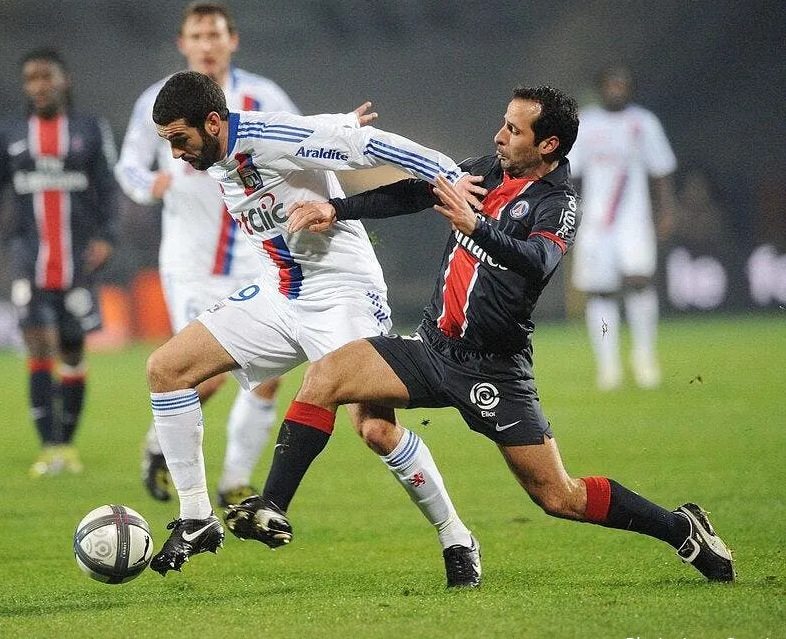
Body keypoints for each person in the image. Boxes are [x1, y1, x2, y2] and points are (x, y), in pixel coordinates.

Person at [226, 86, 735, 584]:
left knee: (558, 496)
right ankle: (272, 504)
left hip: (493, 369)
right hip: (431, 349)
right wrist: (338, 209)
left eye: (514, 130)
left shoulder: (557, 204)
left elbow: (539, 261)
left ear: (548, 146)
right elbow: (418, 190)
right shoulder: (490, 172)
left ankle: (680, 529)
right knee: (326, 376)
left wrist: (477, 226)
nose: (499, 136)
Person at [145, 70, 484, 586]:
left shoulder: (267, 141)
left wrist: (447, 174)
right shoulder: (222, 147)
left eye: (179, 140)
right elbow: (310, 130)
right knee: (166, 369)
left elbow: (368, 146)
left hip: (344, 292)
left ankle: (457, 536)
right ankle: (196, 518)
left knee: (374, 428)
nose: (176, 154)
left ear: (213, 122)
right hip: (280, 292)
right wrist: (336, 121)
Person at [115, 0, 299, 509]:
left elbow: (300, 147)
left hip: (257, 256)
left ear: (232, 40)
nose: (207, 44)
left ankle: (235, 481)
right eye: (197, 35)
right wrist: (147, 185)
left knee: (271, 372)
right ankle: (160, 442)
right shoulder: (156, 100)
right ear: (183, 43)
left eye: (215, 34)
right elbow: (128, 164)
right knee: (209, 374)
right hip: (190, 263)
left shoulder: (263, 96)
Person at [0, 47, 119, 477]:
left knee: (72, 348)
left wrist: (107, 236)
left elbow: (109, 189)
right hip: (28, 257)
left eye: (47, 76)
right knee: (39, 342)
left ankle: (67, 444)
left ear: (64, 80)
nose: (39, 86)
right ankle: (49, 447)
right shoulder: (8, 133)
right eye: (31, 78)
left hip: (78, 260)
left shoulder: (90, 130)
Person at [567, 65, 677, 390]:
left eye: (622, 84)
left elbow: (661, 171)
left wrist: (666, 212)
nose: (616, 89)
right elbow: (572, 173)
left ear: (630, 88)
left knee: (640, 282)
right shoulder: (586, 123)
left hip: (634, 221)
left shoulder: (644, 123)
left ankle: (644, 356)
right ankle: (608, 365)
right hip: (597, 223)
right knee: (601, 291)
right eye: (610, 83)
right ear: (600, 87)